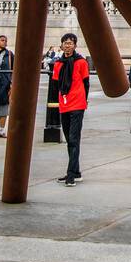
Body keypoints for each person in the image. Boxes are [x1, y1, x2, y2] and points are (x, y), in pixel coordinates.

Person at [52, 32, 91, 187]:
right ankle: (76, 171)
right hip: (64, 103)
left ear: (75, 45)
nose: (67, 45)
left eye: (70, 43)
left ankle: (70, 175)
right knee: (69, 139)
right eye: (65, 43)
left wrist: (84, 100)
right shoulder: (58, 64)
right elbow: (55, 85)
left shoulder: (81, 62)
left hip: (78, 103)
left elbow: (86, 83)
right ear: (62, 45)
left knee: (74, 139)